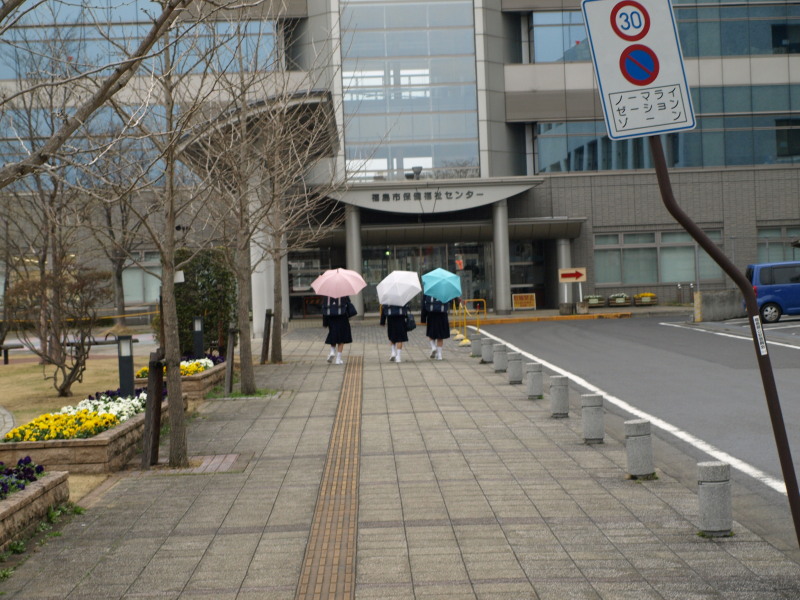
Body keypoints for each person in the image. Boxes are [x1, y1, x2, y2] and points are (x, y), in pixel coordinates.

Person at [322, 296, 355, 365]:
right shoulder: (344, 295)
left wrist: (325, 323)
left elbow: (324, 309)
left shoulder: (327, 296)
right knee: (341, 338)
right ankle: (338, 359)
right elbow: (348, 305)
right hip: (342, 317)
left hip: (331, 318)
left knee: (333, 334)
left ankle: (332, 351)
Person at [420, 294, 450, 360]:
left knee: (431, 333)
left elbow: (423, 305)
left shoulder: (428, 291)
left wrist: (423, 318)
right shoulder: (445, 291)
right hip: (442, 315)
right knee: (440, 336)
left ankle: (433, 347)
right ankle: (439, 355)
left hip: (431, 314)